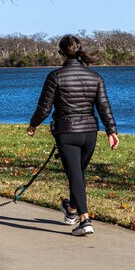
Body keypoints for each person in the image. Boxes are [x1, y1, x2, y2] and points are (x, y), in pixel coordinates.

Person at [27, 34, 119, 236]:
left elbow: (44, 108)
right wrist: (111, 130)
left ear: (61, 53)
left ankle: (85, 220)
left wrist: (33, 125)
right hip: (89, 133)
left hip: (67, 132)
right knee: (78, 173)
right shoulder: (95, 77)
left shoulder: (55, 76)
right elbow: (103, 106)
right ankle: (71, 211)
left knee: (75, 174)